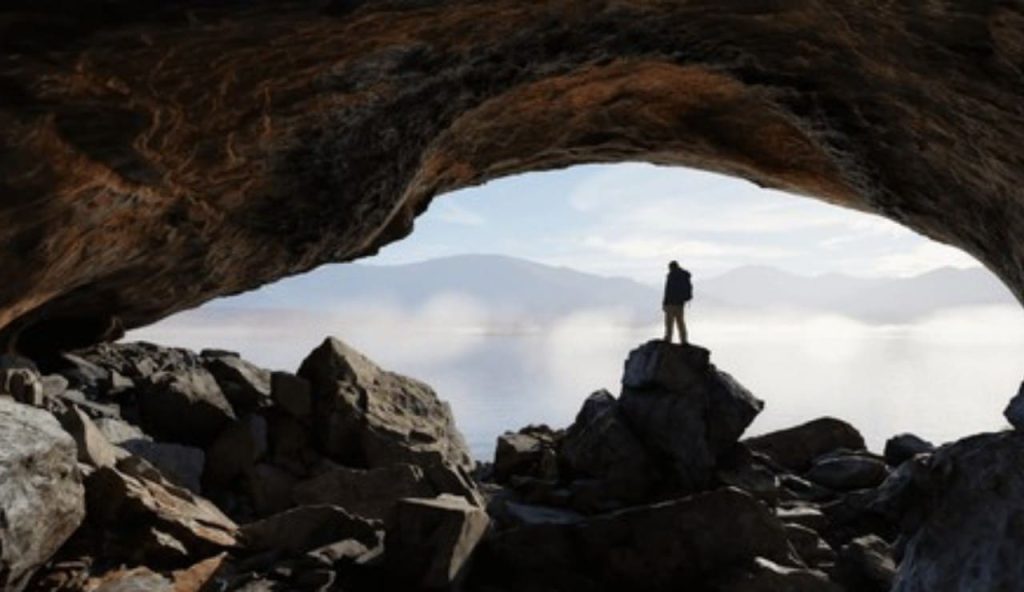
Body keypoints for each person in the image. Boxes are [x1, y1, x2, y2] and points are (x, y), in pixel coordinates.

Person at [662, 260, 692, 344]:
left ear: (671, 267)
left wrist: (664, 303)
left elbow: (668, 291)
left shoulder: (671, 276)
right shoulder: (684, 276)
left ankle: (668, 338)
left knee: (669, 323)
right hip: (680, 303)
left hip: (670, 303)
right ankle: (684, 340)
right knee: (681, 322)